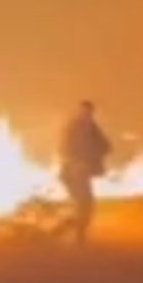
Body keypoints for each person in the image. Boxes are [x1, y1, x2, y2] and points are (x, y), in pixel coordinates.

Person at [55, 100, 111, 244]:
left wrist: (93, 156)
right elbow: (64, 148)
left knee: (85, 206)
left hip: (82, 173)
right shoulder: (72, 127)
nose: (87, 115)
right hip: (72, 173)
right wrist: (77, 162)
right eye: (84, 112)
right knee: (83, 204)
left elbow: (106, 146)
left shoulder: (92, 128)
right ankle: (76, 235)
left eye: (89, 113)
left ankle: (66, 230)